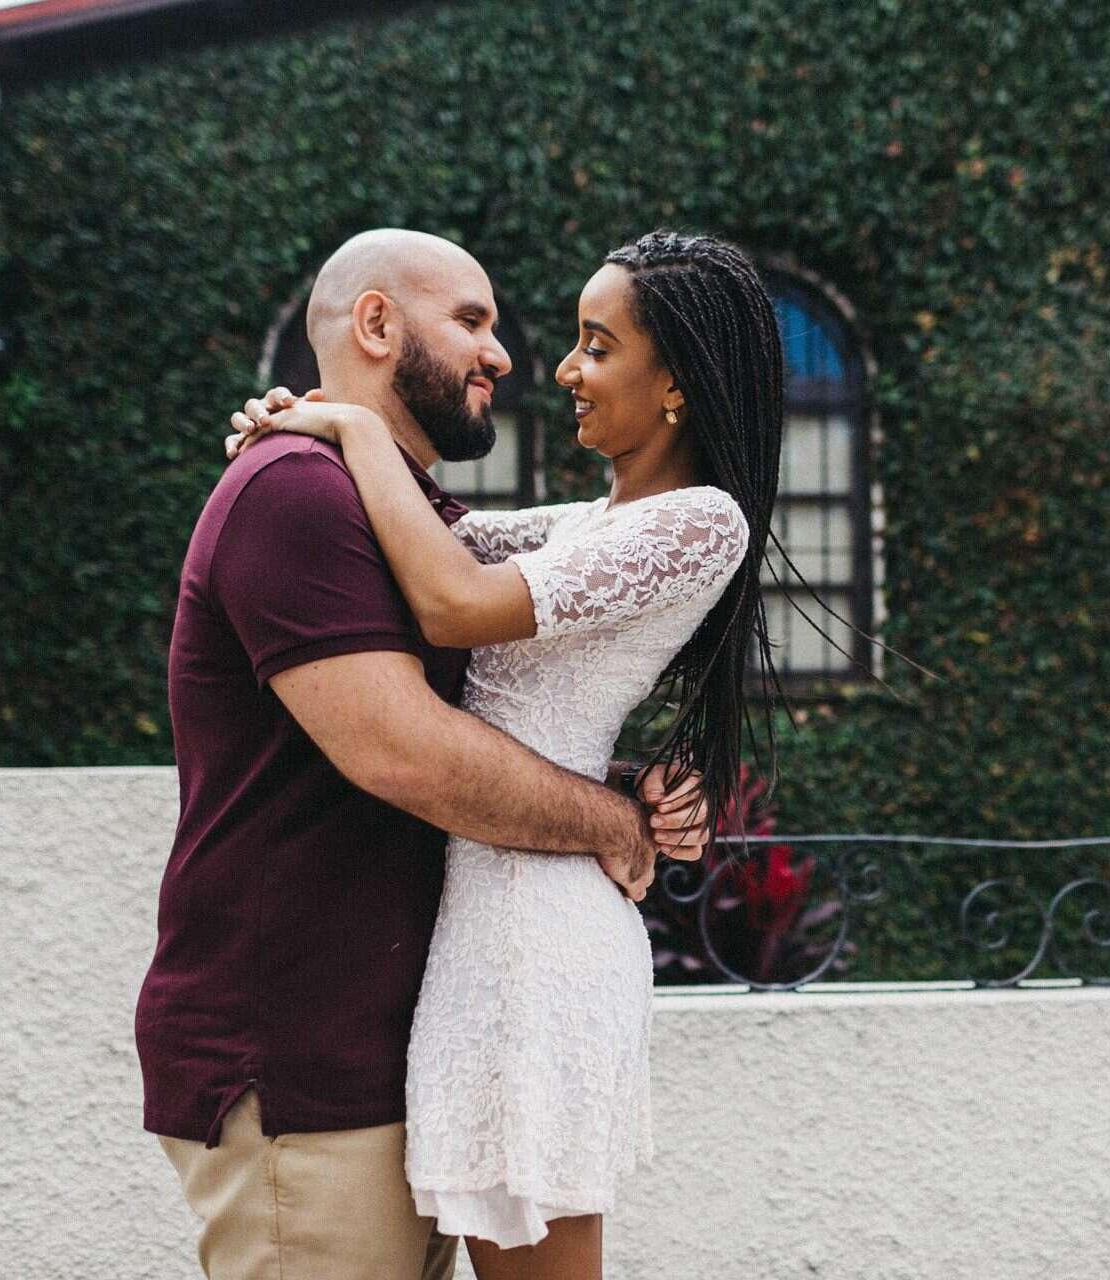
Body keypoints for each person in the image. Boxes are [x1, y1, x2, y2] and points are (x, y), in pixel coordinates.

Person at [138, 228, 718, 1280]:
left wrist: (627, 786)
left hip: (396, 1048)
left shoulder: (407, 513)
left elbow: (503, 699)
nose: (507, 355)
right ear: (375, 323)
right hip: (298, 1061)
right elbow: (406, 752)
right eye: (472, 322)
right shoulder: (296, 494)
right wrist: (615, 823)